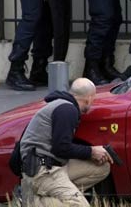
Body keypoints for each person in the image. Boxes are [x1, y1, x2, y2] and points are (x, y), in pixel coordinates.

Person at [19, 77, 113, 206]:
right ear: (89, 98)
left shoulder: (59, 105)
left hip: (53, 165)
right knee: (80, 205)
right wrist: (91, 151)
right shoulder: (67, 110)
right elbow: (61, 148)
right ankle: (35, 201)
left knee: (102, 167)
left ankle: (47, 196)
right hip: (44, 170)